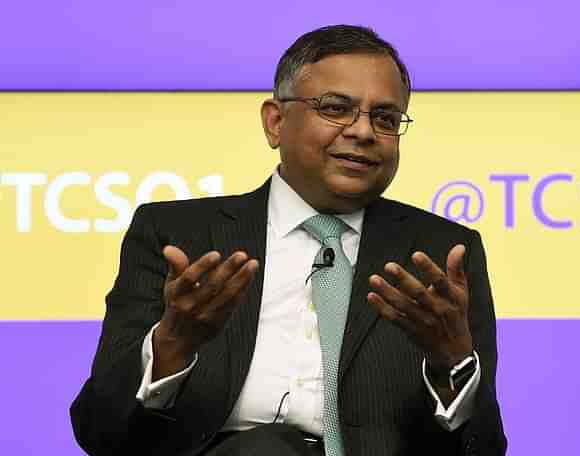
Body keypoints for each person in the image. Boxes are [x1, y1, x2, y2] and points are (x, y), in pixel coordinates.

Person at [71, 25, 506, 456]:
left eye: (386, 118)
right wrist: (171, 346)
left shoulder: (442, 254)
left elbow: (484, 449)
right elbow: (100, 432)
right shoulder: (178, 237)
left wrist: (453, 365)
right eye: (336, 108)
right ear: (275, 122)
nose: (363, 132)